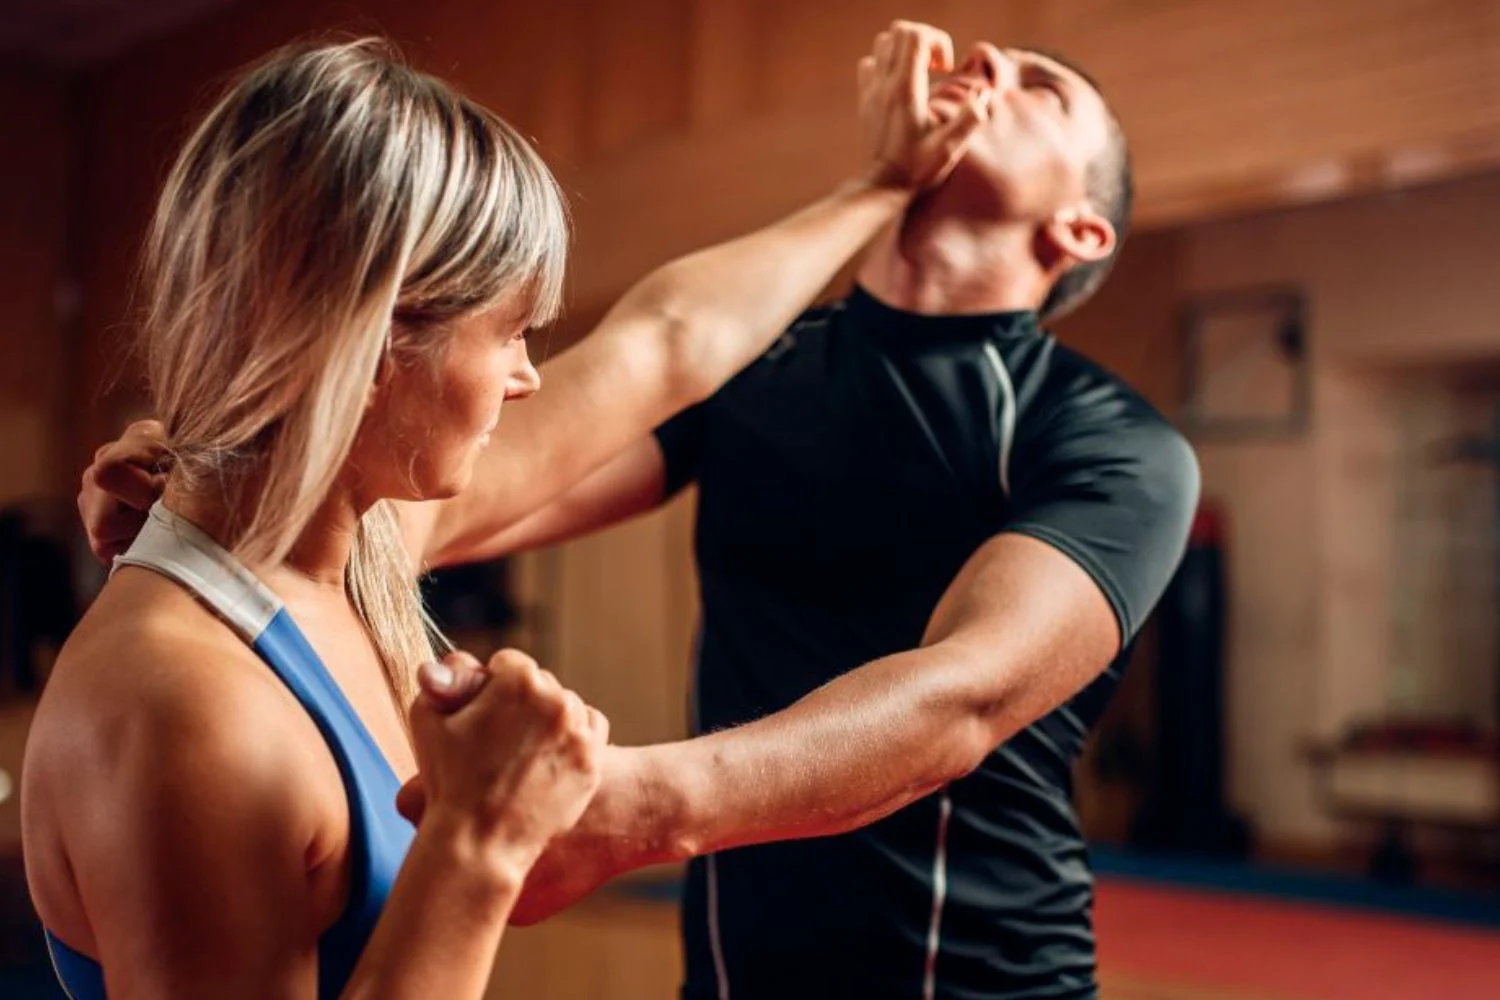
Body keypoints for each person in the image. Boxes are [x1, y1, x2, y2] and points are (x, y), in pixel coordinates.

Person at [30, 25, 983, 1000]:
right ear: (376, 338)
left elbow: (666, 343)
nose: (530, 377)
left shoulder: (358, 551)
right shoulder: (187, 708)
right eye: (514, 332)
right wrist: (479, 844)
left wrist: (884, 182)